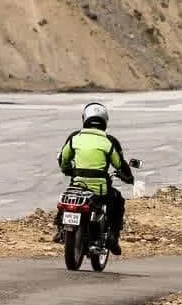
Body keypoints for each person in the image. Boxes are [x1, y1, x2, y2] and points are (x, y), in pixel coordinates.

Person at [55, 102, 134, 255]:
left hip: (77, 185)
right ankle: (113, 237)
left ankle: (59, 229)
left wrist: (67, 170)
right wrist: (128, 177)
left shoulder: (74, 138)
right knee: (117, 201)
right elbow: (119, 163)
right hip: (100, 188)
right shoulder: (108, 141)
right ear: (105, 120)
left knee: (69, 197)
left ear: (85, 118)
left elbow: (63, 159)